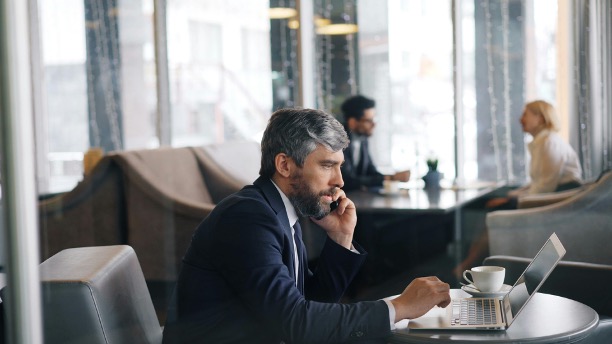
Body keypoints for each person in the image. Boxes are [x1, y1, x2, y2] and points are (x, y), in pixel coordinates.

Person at [162, 108, 451, 344]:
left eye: (339, 166)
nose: (339, 180)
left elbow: (306, 305)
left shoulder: (279, 210)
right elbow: (296, 325)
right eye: (327, 165)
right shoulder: (247, 217)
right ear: (285, 165)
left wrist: (340, 239)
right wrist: (399, 307)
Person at [455, 100, 583, 276]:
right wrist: (512, 195)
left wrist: (512, 199)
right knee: (491, 208)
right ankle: (470, 265)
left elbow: (545, 187)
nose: (520, 119)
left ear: (540, 118)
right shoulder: (542, 142)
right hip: (549, 196)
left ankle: (469, 265)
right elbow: (537, 182)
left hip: (557, 200)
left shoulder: (549, 143)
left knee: (492, 212)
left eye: (525, 114)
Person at [340, 95, 411, 191]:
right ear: (353, 122)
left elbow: (370, 171)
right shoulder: (338, 141)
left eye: (374, 119)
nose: (374, 124)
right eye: (369, 121)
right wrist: (391, 178)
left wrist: (391, 177)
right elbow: (348, 180)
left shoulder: (362, 139)